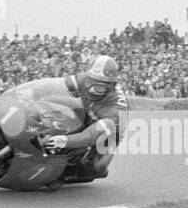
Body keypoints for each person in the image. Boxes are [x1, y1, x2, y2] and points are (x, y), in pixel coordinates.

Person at [7, 54, 126, 186]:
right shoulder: (87, 79)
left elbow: (89, 136)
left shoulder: (114, 110)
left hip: (106, 135)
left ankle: (59, 174)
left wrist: (64, 141)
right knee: (49, 100)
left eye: (99, 87)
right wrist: (31, 93)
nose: (91, 90)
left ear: (111, 86)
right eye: (90, 83)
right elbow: (58, 86)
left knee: (94, 167)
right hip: (87, 109)